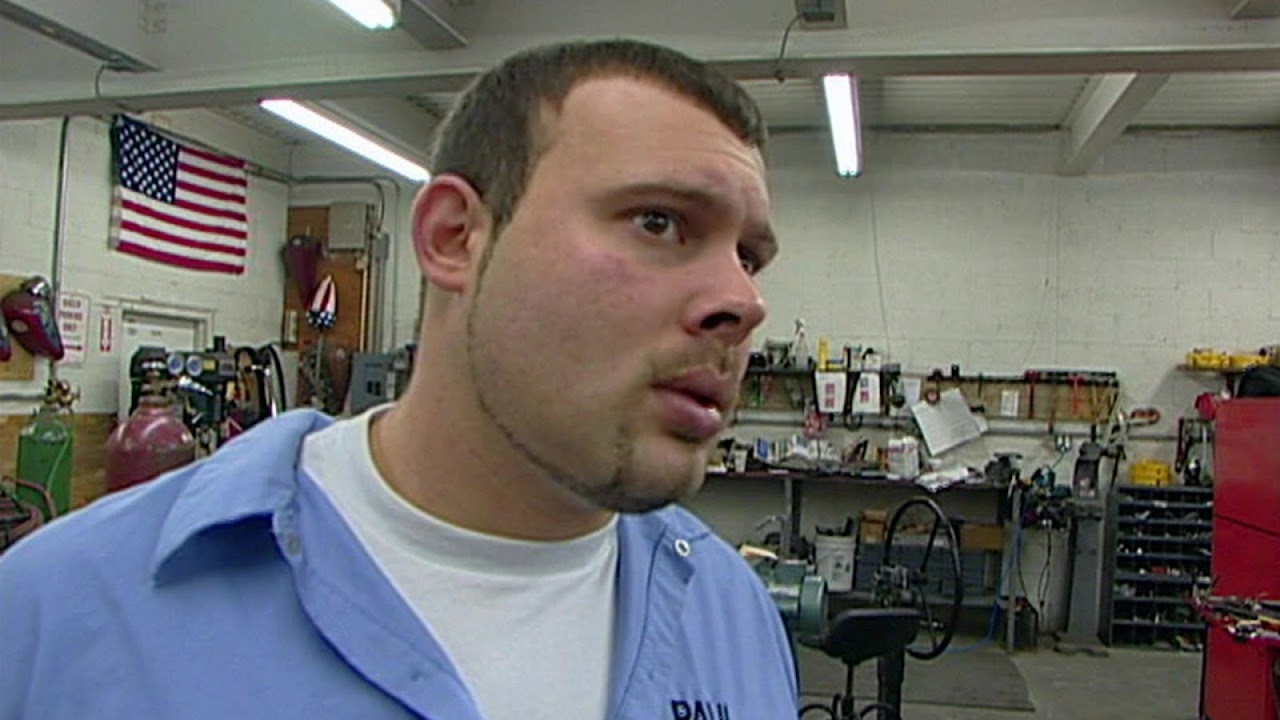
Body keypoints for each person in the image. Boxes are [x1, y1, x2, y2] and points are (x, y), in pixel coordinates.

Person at [0, 39, 793, 719]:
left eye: (748, 257)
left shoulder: (731, 618)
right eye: (659, 221)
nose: (743, 301)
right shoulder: (63, 611)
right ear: (455, 237)